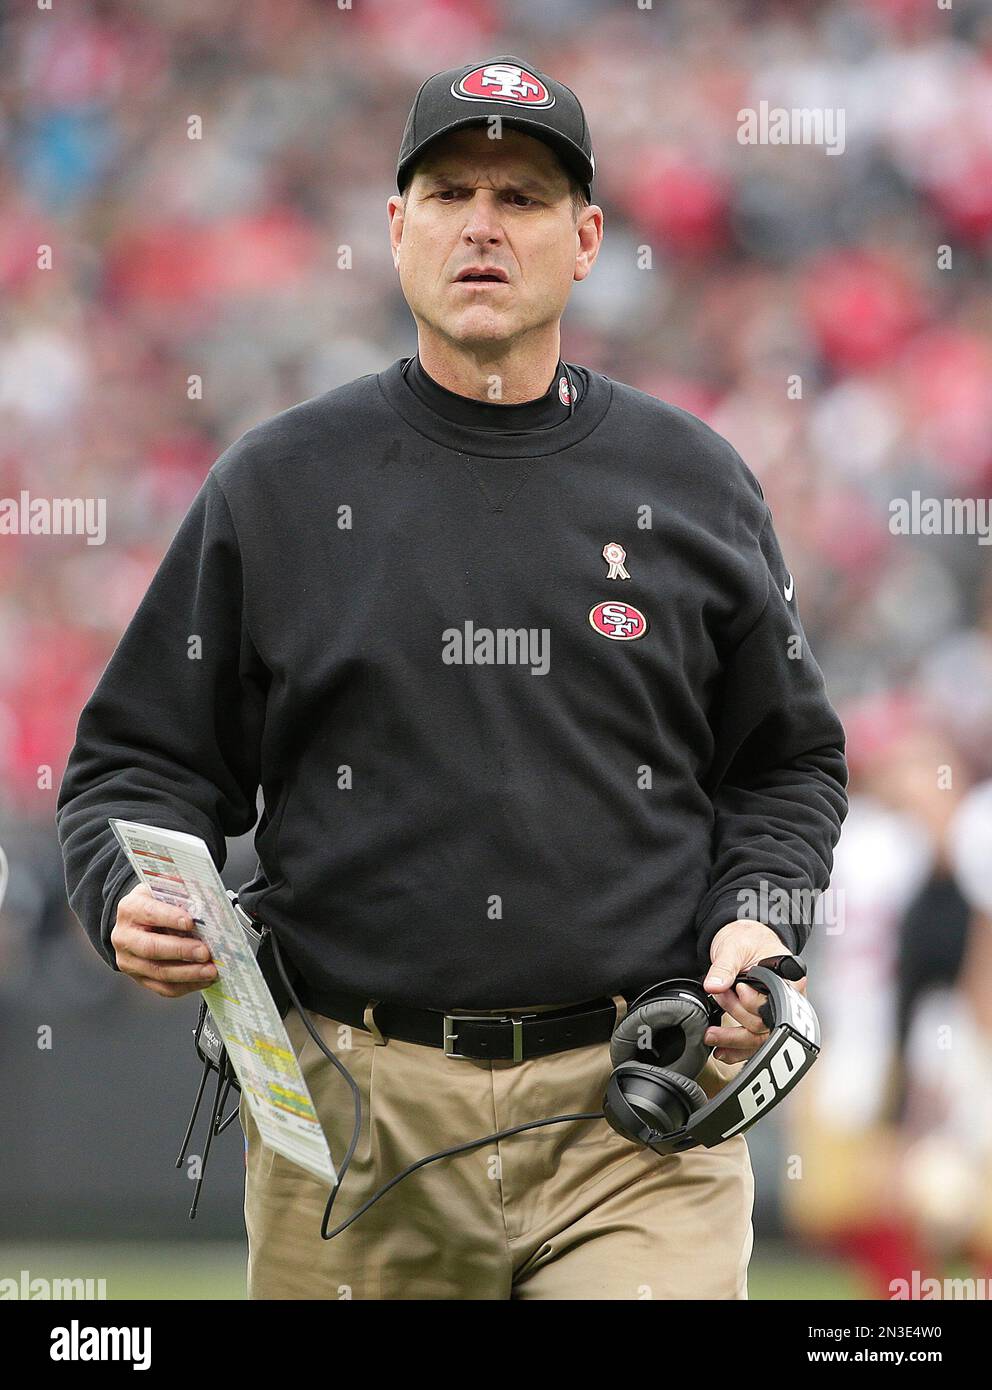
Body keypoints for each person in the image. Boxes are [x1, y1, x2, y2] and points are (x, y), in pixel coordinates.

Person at [56, 55, 848, 1300]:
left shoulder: (690, 479)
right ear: (396, 227)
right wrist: (122, 892)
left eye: (522, 197)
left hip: (633, 1107)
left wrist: (758, 910)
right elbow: (137, 764)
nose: (482, 223)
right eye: (448, 191)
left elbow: (786, 763)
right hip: (357, 1117)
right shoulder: (278, 486)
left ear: (584, 239)